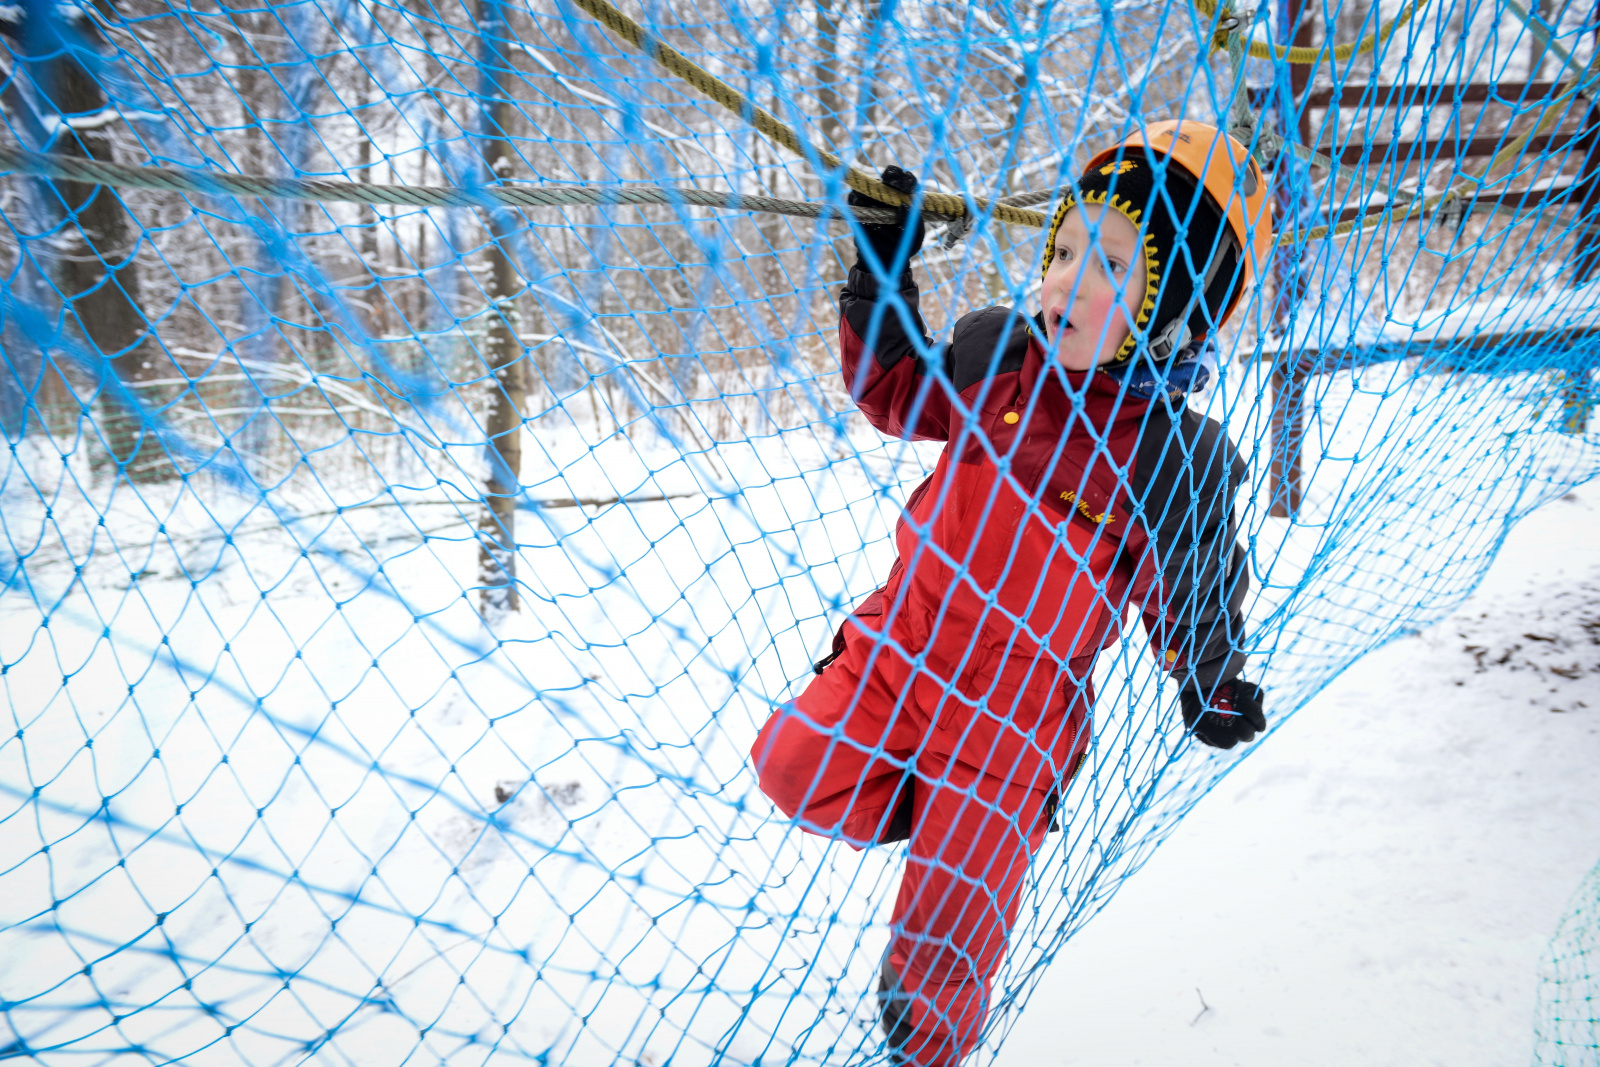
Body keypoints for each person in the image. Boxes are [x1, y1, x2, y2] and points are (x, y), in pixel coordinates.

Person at [749, 120, 1274, 1066]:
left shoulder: (1169, 455)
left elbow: (1189, 591)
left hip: (1012, 717)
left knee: (945, 936)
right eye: (1063, 246)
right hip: (902, 646)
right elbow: (897, 394)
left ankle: (930, 1031)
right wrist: (879, 271)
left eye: (1111, 265)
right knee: (789, 767)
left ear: (1174, 306)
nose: (1067, 277)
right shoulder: (1000, 356)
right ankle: (928, 799)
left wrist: (1210, 674)